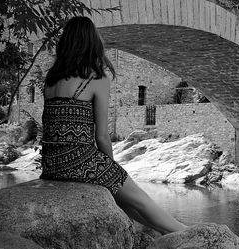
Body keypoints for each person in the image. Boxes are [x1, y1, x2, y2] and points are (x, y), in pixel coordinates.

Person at [40, 16, 187, 235]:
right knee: (141, 200)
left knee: (128, 203)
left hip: (52, 163)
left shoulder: (50, 80)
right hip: (80, 160)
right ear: (92, 42)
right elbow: (101, 136)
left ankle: (166, 235)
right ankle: (186, 232)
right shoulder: (95, 79)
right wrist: (111, 170)